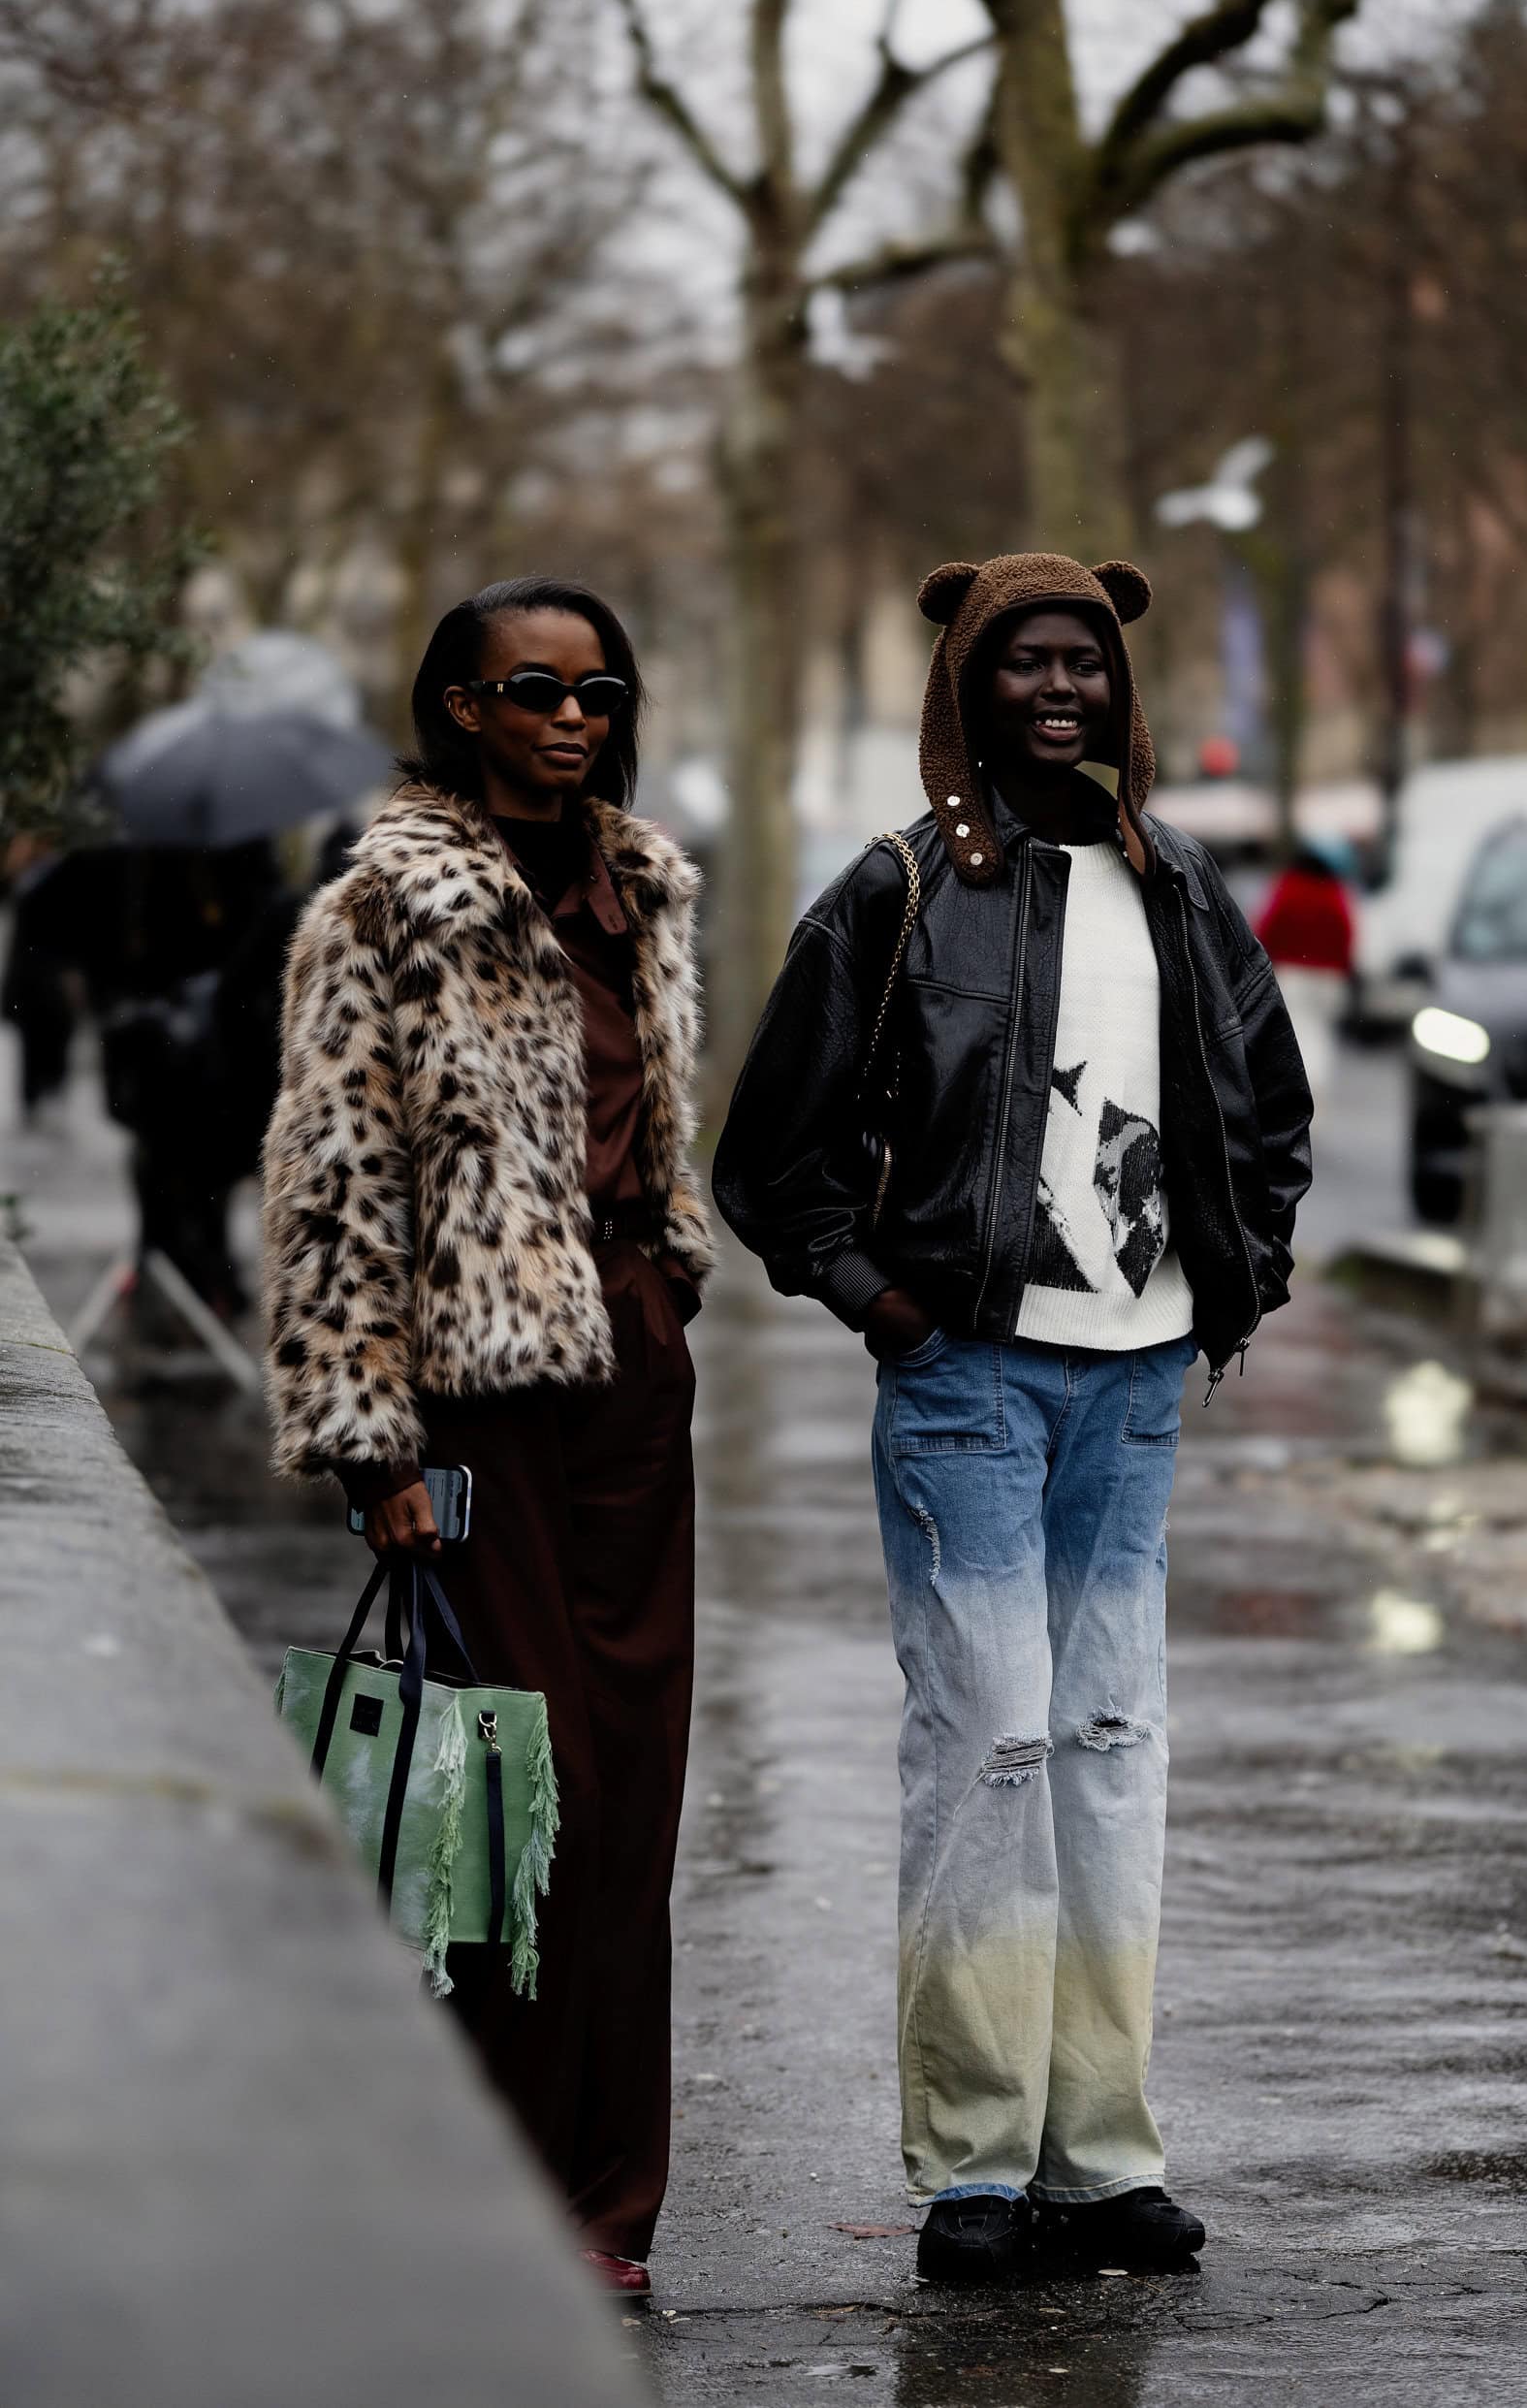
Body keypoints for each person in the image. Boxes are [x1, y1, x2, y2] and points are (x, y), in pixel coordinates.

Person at [714, 553, 1313, 2287]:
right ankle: (975, 2168)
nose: (1060, 689)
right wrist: (873, 1297)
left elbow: (1263, 1102)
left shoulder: (1179, 888)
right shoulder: (896, 892)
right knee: (989, 1745)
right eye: (1023, 663)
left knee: (1115, 1751)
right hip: (967, 1376)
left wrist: (1233, 1283)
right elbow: (771, 1154)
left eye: (1087, 665)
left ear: (1121, 693)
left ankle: (1100, 2158)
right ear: (966, 687)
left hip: (1136, 1388)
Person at [261, 574, 715, 2295]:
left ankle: (615, 2202)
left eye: (602, 687)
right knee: (527, 1794)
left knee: (637, 1809)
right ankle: (500, 2179)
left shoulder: (639, 888)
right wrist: (371, 1445)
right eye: (538, 687)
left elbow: (654, 1125)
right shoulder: (381, 909)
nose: (577, 715)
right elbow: (333, 1185)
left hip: (632, 1394)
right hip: (474, 1413)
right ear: (460, 703)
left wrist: (666, 1275)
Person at [1255, 839, 1355, 1117]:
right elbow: (1347, 935)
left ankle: (1292, 1097)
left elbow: (1266, 927)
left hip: (1292, 974)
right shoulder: (1335, 892)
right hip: (1329, 978)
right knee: (1320, 1037)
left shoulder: (1289, 887)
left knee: (1295, 1036)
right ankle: (1315, 1098)